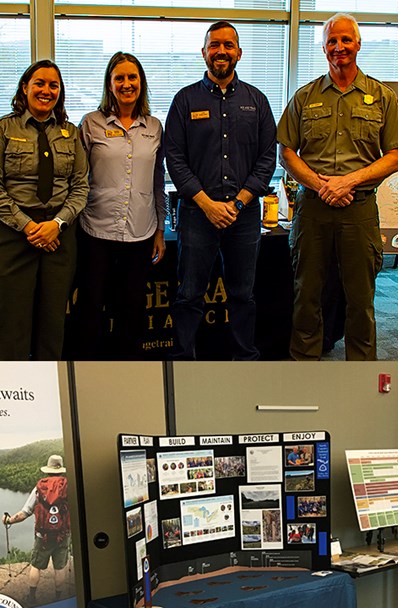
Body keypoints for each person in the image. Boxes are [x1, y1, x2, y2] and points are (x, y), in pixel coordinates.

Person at [277, 13, 398, 361]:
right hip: (313, 211)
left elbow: (394, 155)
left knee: (360, 298)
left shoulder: (382, 97)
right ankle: (303, 362)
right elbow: (287, 153)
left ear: (358, 44)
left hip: (359, 209)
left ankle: (361, 372)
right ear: (324, 48)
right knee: (307, 293)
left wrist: (349, 181)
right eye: (332, 41)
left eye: (345, 40)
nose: (339, 47)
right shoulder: (305, 97)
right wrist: (320, 186)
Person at [164, 21, 277, 360]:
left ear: (239, 53)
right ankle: (184, 361)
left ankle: (244, 359)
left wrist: (239, 203)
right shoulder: (184, 101)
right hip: (197, 215)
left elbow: (267, 158)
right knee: (189, 295)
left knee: (242, 294)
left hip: (243, 217)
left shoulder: (256, 101)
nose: (221, 51)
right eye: (215, 45)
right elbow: (175, 159)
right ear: (204, 53)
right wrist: (207, 204)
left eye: (228, 45)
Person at [0, 60, 89, 360]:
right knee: (13, 330)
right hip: (11, 236)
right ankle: (15, 401)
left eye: (53, 85)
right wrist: (29, 227)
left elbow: (81, 187)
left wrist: (57, 224)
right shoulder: (3, 129)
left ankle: (48, 399)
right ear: (25, 87)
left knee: (52, 328)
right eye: (39, 83)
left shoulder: (70, 133)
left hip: (59, 236)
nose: (46, 90)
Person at [75, 52, 166, 359]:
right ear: (109, 84)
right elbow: (76, 178)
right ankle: (86, 375)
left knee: (132, 312)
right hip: (95, 232)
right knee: (90, 308)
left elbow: (158, 182)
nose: (127, 84)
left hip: (140, 233)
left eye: (132, 78)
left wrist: (160, 230)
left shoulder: (154, 126)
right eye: (120, 78)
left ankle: (126, 377)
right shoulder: (90, 124)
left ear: (141, 83)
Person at [2, 454, 71, 605]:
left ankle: (32, 597)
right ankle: (58, 599)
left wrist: (9, 520)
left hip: (43, 535)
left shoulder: (39, 488)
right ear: (61, 469)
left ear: (47, 470)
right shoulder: (68, 486)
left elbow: (25, 512)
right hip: (62, 534)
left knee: (36, 566)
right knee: (60, 568)